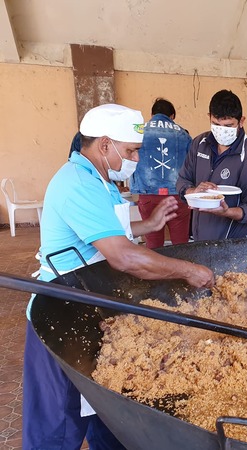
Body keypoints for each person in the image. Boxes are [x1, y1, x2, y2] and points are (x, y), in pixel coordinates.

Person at [23, 103, 215, 450]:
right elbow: (123, 256)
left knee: (106, 418)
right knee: (58, 430)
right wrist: (189, 271)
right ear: (106, 144)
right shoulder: (77, 182)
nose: (136, 159)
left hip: (89, 303)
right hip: (60, 313)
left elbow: (106, 228)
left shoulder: (98, 178)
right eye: (131, 151)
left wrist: (149, 224)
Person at [176, 89, 247, 240]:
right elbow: (182, 180)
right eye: (216, 124)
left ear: (241, 121)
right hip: (199, 240)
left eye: (228, 125)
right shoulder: (200, 143)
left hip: (233, 246)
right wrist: (192, 191)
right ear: (209, 118)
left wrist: (226, 212)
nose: (222, 131)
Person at [130, 98, 192, 248]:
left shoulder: (139, 132)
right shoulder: (183, 134)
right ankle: (181, 271)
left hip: (148, 195)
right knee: (181, 245)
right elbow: (192, 166)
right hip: (177, 196)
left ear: (152, 114)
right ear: (172, 116)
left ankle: (156, 271)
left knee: (153, 244)